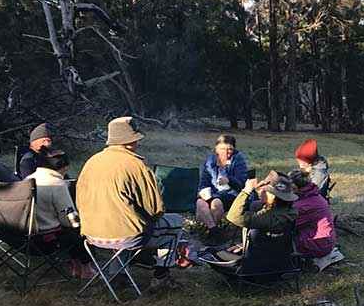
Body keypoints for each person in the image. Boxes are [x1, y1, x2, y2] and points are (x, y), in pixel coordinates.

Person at [75, 116, 187, 290]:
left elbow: (79, 201)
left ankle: (117, 275)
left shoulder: (91, 162)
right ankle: (161, 276)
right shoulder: (135, 165)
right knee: (175, 224)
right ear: (131, 141)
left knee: (124, 222)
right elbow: (155, 209)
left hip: (91, 235)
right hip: (125, 237)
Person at [25, 147, 92, 279]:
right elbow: (70, 219)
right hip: (46, 238)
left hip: (24, 234)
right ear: (63, 167)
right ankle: (86, 268)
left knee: (68, 231)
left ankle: (75, 265)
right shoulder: (57, 184)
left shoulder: (27, 179)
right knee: (79, 230)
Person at [288, 169, 344, 271]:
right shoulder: (312, 195)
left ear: (295, 187)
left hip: (318, 244)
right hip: (325, 240)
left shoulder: (305, 204)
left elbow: (288, 224)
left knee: (281, 238)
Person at [196, 134, 249, 233]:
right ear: (216, 149)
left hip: (231, 194)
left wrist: (230, 180)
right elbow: (204, 182)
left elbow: (242, 184)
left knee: (216, 203)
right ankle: (213, 230)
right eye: (222, 149)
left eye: (230, 149)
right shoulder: (210, 161)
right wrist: (202, 191)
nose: (226, 152)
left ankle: (210, 232)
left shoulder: (238, 160)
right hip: (212, 193)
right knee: (200, 203)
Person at [225, 170, 297, 237]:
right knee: (255, 205)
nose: (262, 191)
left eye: (265, 190)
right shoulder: (291, 211)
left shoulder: (266, 217)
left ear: (272, 197)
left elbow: (233, 216)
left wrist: (246, 191)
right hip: (283, 248)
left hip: (262, 250)